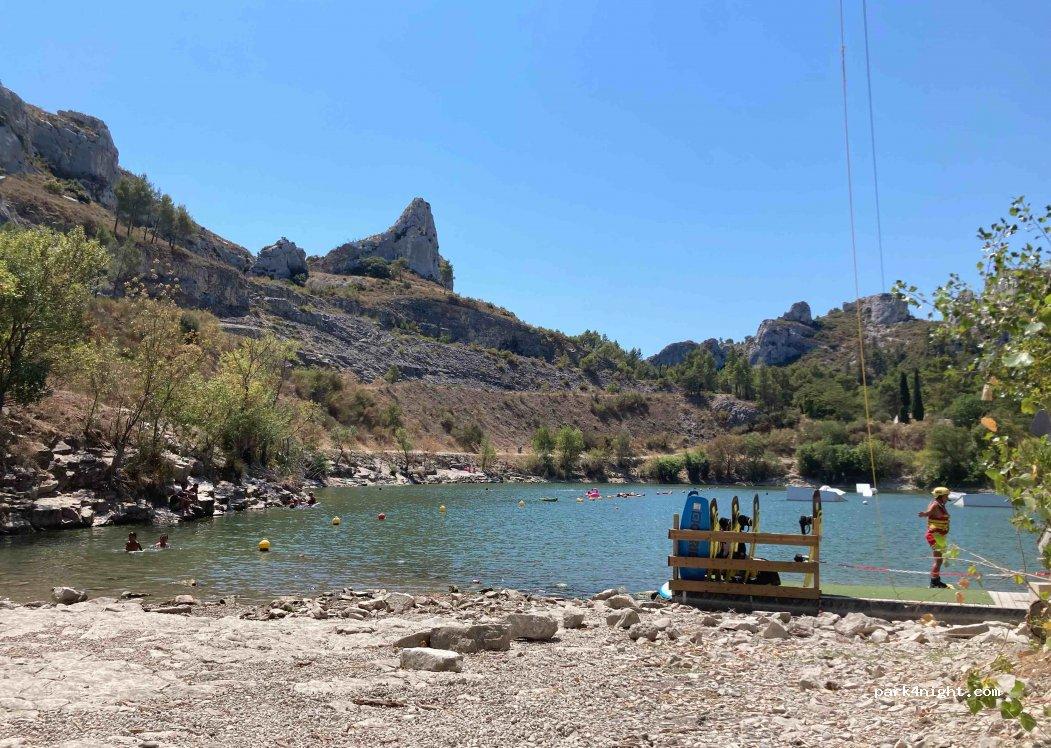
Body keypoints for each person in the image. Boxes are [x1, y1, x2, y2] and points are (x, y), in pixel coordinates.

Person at [919, 486, 952, 588]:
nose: (947, 498)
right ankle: (934, 582)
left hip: (940, 537)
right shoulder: (935, 505)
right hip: (934, 536)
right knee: (938, 560)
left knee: (940, 560)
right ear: (941, 496)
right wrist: (924, 514)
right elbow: (928, 513)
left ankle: (936, 581)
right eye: (946, 496)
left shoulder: (941, 505)